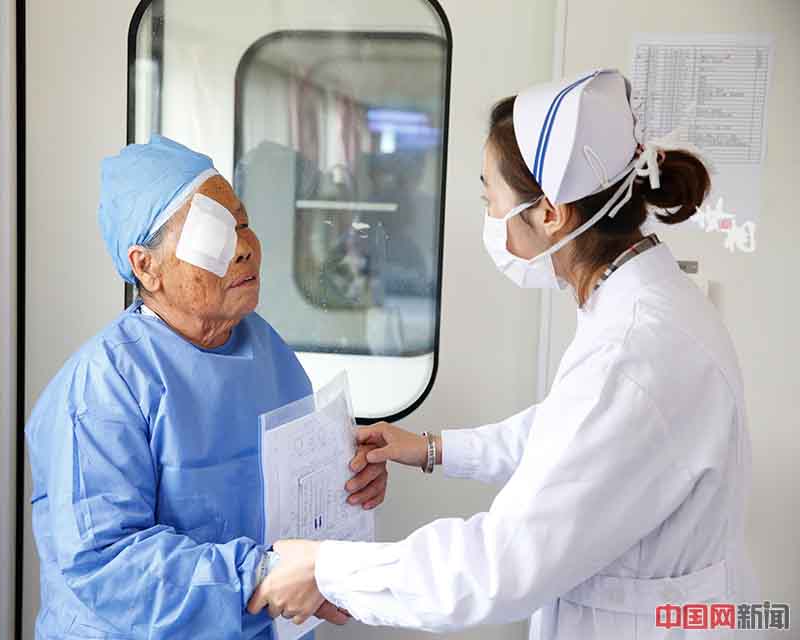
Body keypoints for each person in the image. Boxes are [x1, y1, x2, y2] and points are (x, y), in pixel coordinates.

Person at [248, 69, 756, 638]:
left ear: (549, 213)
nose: (490, 218)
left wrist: (326, 568)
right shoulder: (632, 302)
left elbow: (497, 569)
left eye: (492, 196)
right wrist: (432, 449)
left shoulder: (634, 350)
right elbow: (571, 434)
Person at [26, 135, 387, 639]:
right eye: (212, 232)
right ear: (145, 266)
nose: (242, 247)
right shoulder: (101, 389)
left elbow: (293, 488)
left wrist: (348, 486)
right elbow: (104, 563)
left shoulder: (265, 350)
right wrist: (256, 575)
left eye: (241, 223)